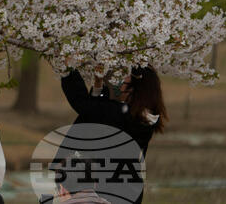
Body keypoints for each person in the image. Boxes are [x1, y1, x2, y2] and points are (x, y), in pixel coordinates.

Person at [58, 66, 167, 204]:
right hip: (128, 192)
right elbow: (94, 114)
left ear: (134, 89)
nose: (119, 85)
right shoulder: (144, 117)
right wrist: (98, 86)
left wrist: (67, 67)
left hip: (111, 193)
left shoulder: (124, 116)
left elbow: (85, 106)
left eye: (124, 81)